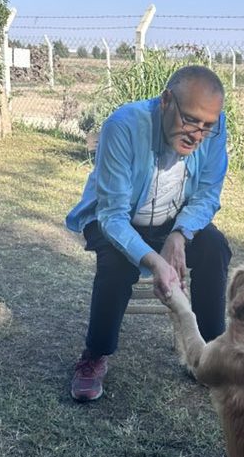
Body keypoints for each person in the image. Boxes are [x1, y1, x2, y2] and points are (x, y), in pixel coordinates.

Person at [65, 65, 232, 401]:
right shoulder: (123, 126)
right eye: (190, 121)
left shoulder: (213, 129)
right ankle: (95, 355)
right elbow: (111, 216)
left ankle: (211, 353)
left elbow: (208, 195)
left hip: (172, 220)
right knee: (116, 263)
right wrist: (155, 261)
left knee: (215, 247)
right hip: (117, 219)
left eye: (206, 127)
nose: (196, 135)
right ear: (166, 100)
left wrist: (179, 235)